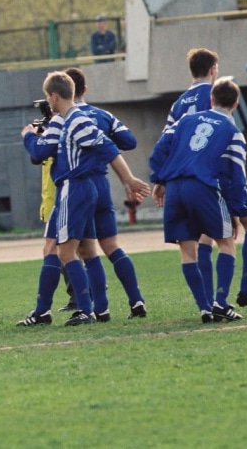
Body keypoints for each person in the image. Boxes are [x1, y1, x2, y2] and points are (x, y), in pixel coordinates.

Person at [18, 71, 148, 327]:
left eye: (47, 97)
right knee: (90, 249)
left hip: (74, 187)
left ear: (54, 96)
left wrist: (129, 180)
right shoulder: (76, 118)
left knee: (63, 251)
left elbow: (108, 148)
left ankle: (83, 310)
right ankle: (100, 308)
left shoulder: (74, 119)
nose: (47, 101)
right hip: (89, 186)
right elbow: (120, 141)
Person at [163, 48, 247, 314]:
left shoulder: (178, 104)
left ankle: (211, 301)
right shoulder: (213, 95)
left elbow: (169, 141)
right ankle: (246, 290)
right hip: (221, 172)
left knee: (204, 237)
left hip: (191, 177)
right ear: (213, 68)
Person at [150, 79, 247, 323]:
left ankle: (204, 308)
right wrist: (235, 210)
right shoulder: (233, 133)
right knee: (226, 243)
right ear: (235, 104)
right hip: (202, 187)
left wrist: (159, 179)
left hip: (174, 187)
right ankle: (221, 303)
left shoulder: (185, 120)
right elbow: (237, 176)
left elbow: (161, 148)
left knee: (187, 251)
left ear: (211, 99)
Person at [64, 67, 149, 321]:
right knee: (112, 245)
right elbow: (129, 141)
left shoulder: (65, 118)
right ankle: (136, 301)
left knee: (88, 252)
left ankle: (101, 308)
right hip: (102, 185)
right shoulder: (102, 115)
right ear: (85, 89)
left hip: (81, 186)